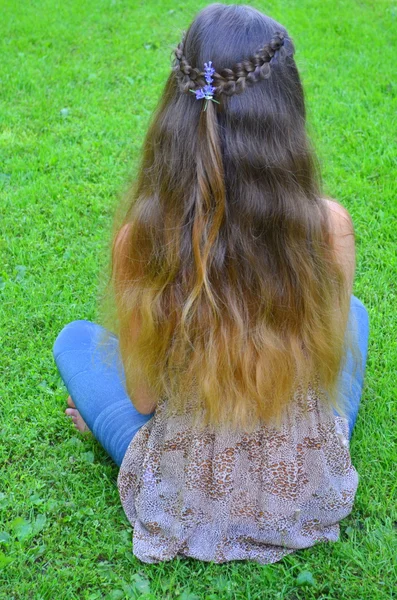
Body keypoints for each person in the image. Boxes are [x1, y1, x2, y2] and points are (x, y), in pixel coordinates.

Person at [53, 3, 369, 565]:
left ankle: (115, 444)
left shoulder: (141, 242)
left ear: (175, 110)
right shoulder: (329, 230)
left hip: (188, 496)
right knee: (356, 320)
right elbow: (322, 378)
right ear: (287, 112)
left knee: (74, 342)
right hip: (298, 487)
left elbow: (145, 400)